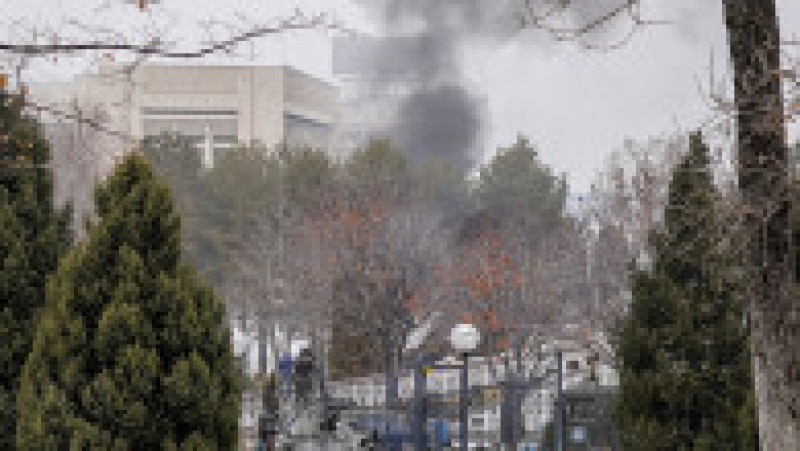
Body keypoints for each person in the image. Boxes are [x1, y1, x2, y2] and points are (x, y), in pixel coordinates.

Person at [259, 374, 280, 451]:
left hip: (267, 425)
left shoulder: (268, 395)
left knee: (266, 443)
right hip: (270, 425)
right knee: (269, 443)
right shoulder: (275, 396)